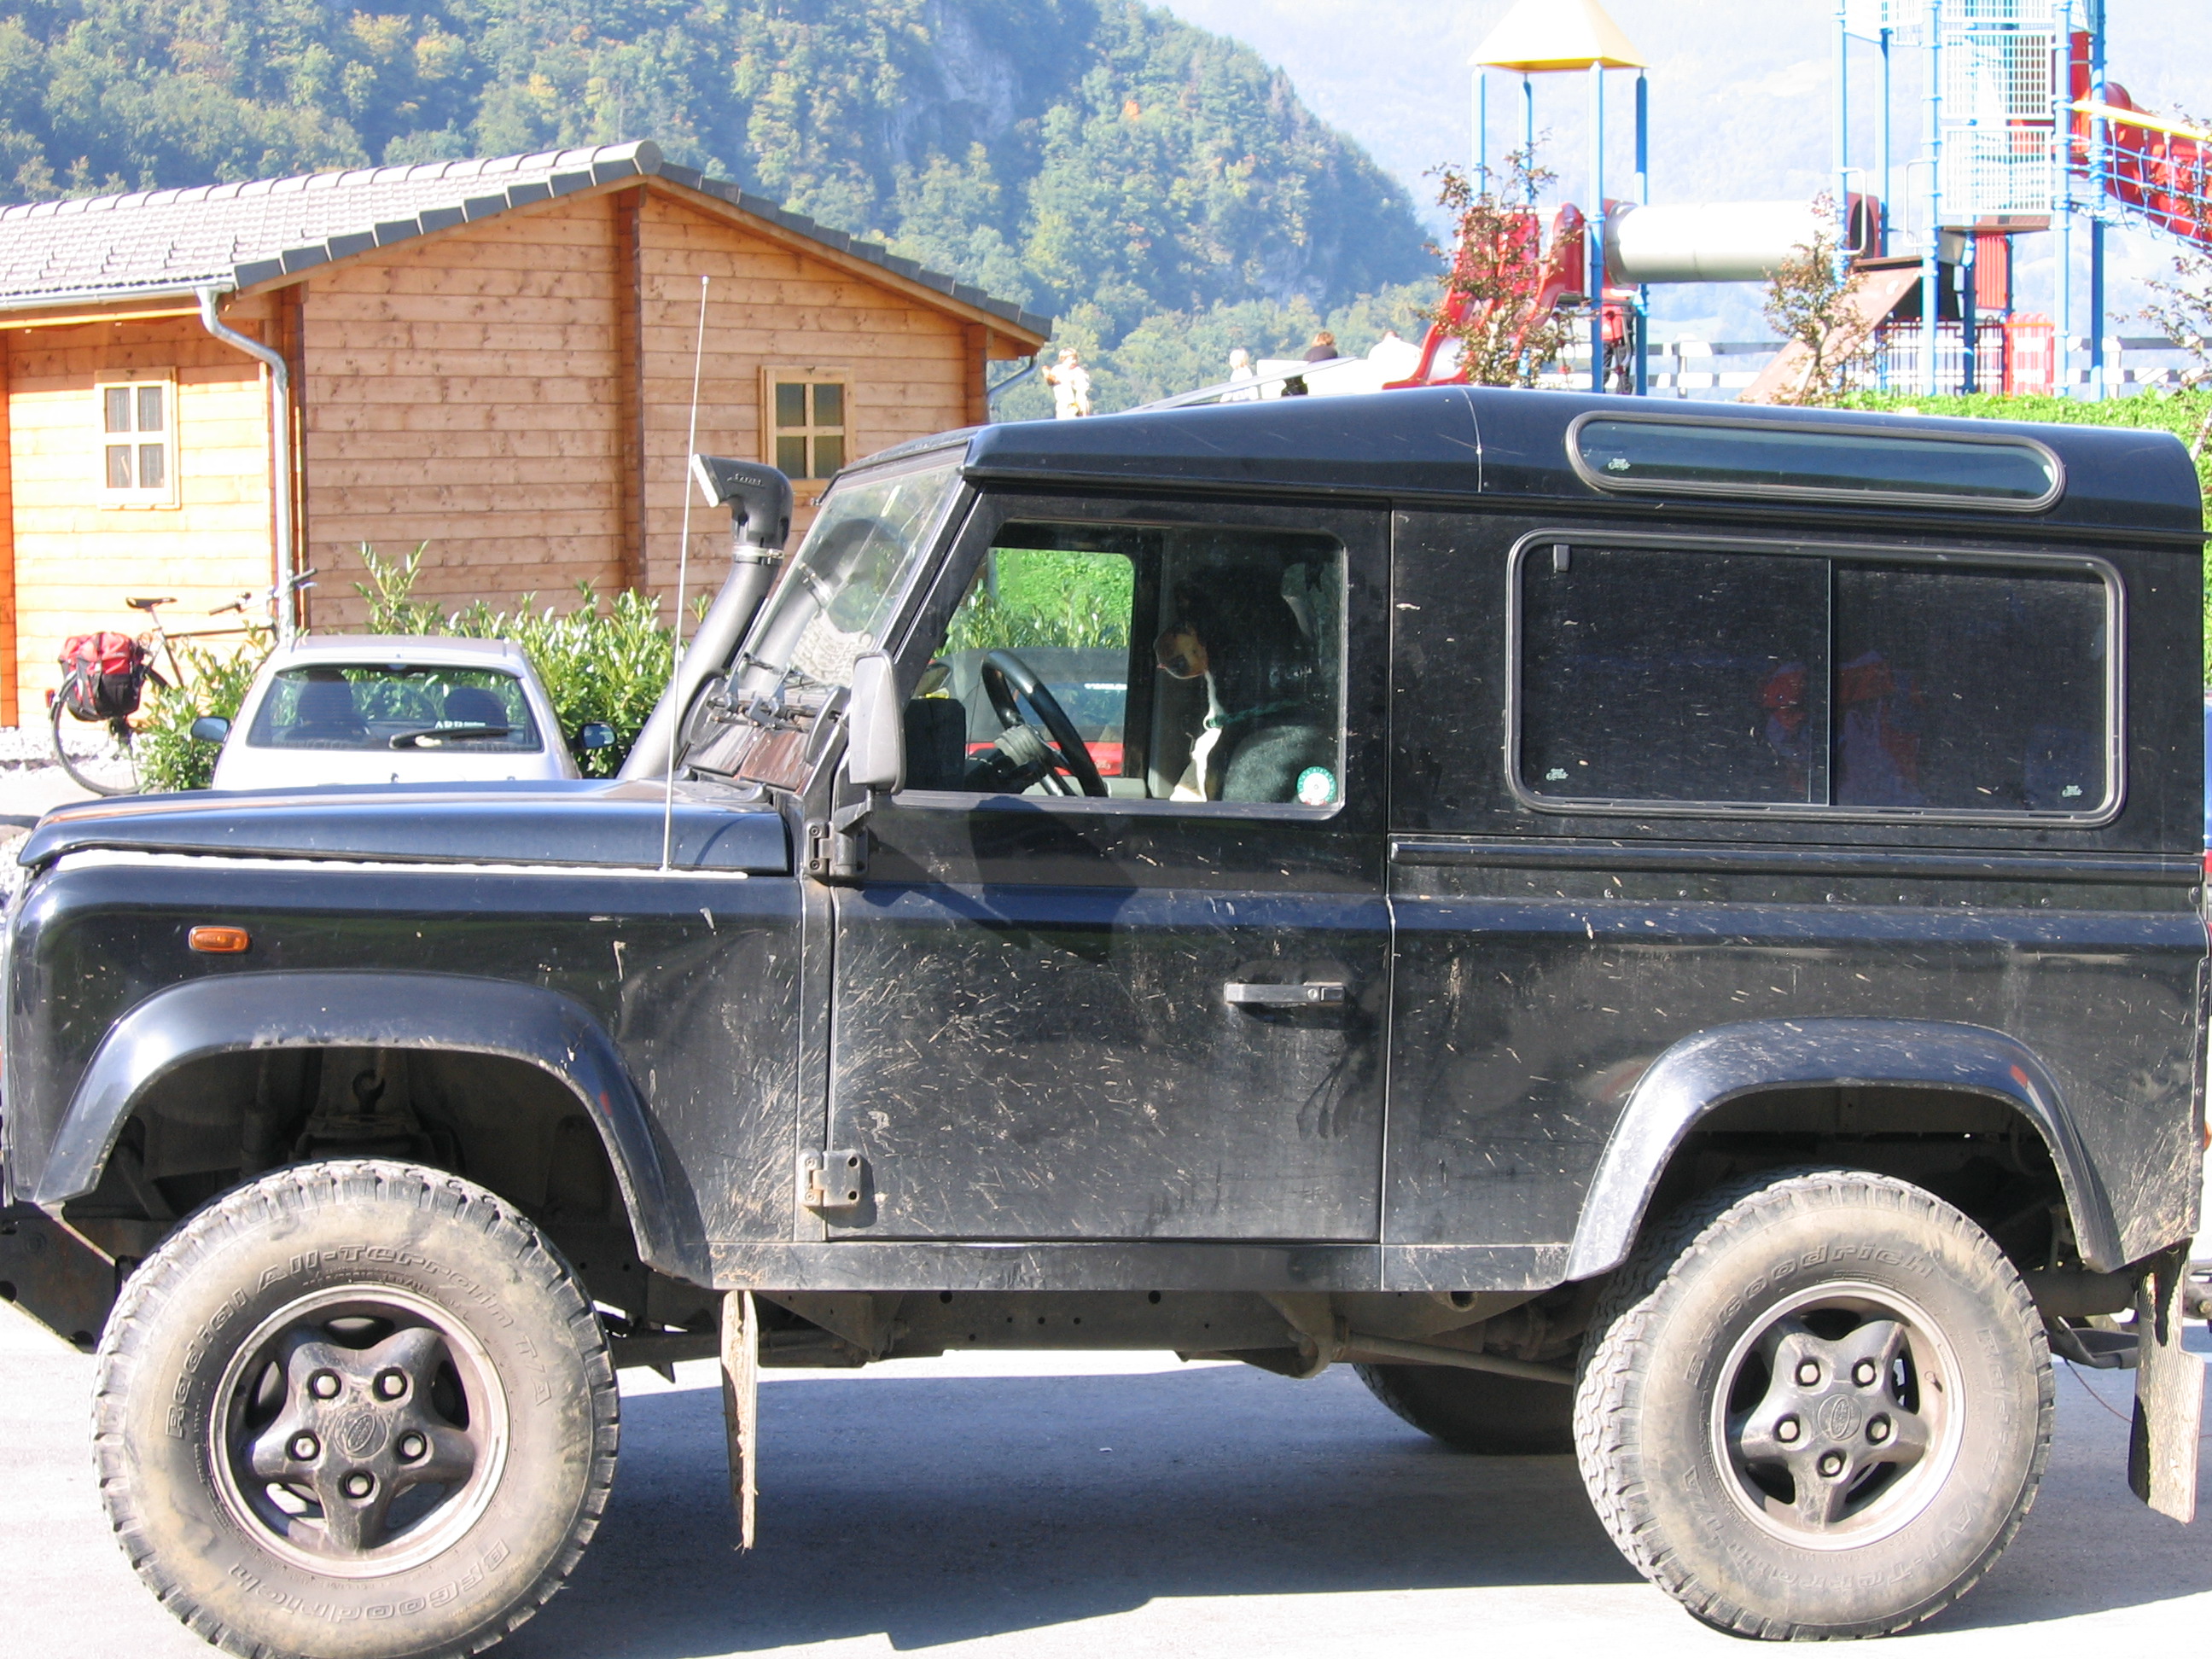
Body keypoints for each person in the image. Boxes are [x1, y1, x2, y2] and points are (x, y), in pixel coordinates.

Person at [1043, 347, 1092, 419]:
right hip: (1062, 406)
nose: (1074, 361)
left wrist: (1084, 411)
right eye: (1072, 359)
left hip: (1074, 407)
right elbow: (1052, 382)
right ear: (1063, 359)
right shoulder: (1057, 370)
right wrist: (1047, 375)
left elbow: (1081, 392)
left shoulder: (1078, 372)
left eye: (1076, 359)